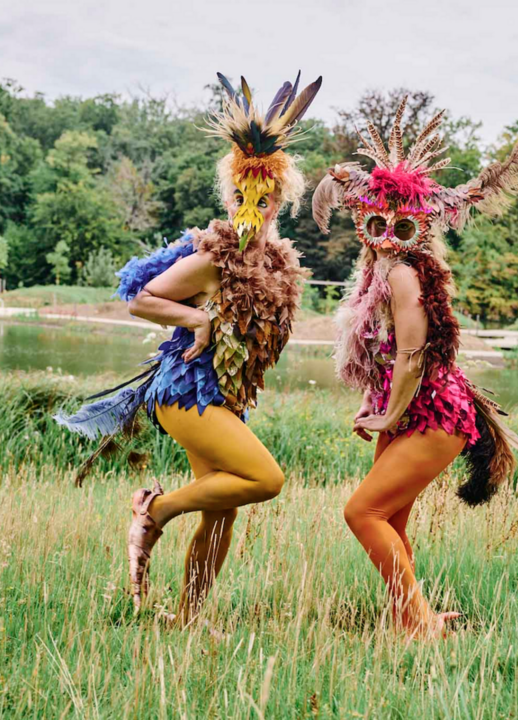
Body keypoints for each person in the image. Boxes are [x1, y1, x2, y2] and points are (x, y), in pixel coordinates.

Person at [56, 71, 322, 623]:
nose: (252, 208)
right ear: (228, 196)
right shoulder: (211, 257)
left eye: (265, 199)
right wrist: (197, 318)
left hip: (224, 399)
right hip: (185, 393)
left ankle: (186, 617)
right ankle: (156, 511)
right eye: (241, 197)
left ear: (279, 201)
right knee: (266, 481)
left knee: (223, 510)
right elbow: (141, 297)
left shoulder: (275, 263)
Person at [312, 98, 518, 638]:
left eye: (401, 226)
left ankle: (419, 624)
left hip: (432, 416)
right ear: (362, 221)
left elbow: (413, 355)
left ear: (419, 228)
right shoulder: (380, 270)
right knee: (389, 520)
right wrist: (378, 408)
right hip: (409, 413)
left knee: (361, 514)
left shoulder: (402, 274)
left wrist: (387, 413)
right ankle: (408, 620)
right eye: (378, 223)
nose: (388, 234)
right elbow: (385, 355)